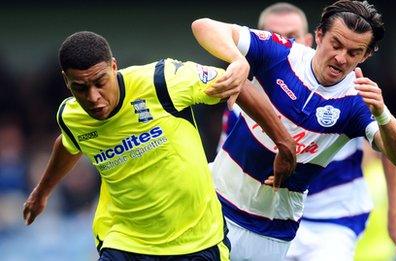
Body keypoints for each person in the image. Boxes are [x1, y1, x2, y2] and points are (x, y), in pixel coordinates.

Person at [22, 31, 296, 260]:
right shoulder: (71, 116)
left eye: (100, 82)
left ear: (114, 66)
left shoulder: (162, 81)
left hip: (197, 240)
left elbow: (235, 84)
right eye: (80, 88)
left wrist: (284, 144)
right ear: (66, 81)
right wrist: (42, 191)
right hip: (124, 241)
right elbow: (70, 143)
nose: (93, 97)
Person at [191, 0, 396, 260]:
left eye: (354, 53)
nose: (341, 58)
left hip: (281, 225)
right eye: (336, 44)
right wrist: (236, 60)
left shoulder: (359, 100)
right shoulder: (281, 54)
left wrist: (382, 113)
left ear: (366, 56)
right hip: (217, 203)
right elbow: (203, 26)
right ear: (319, 36)